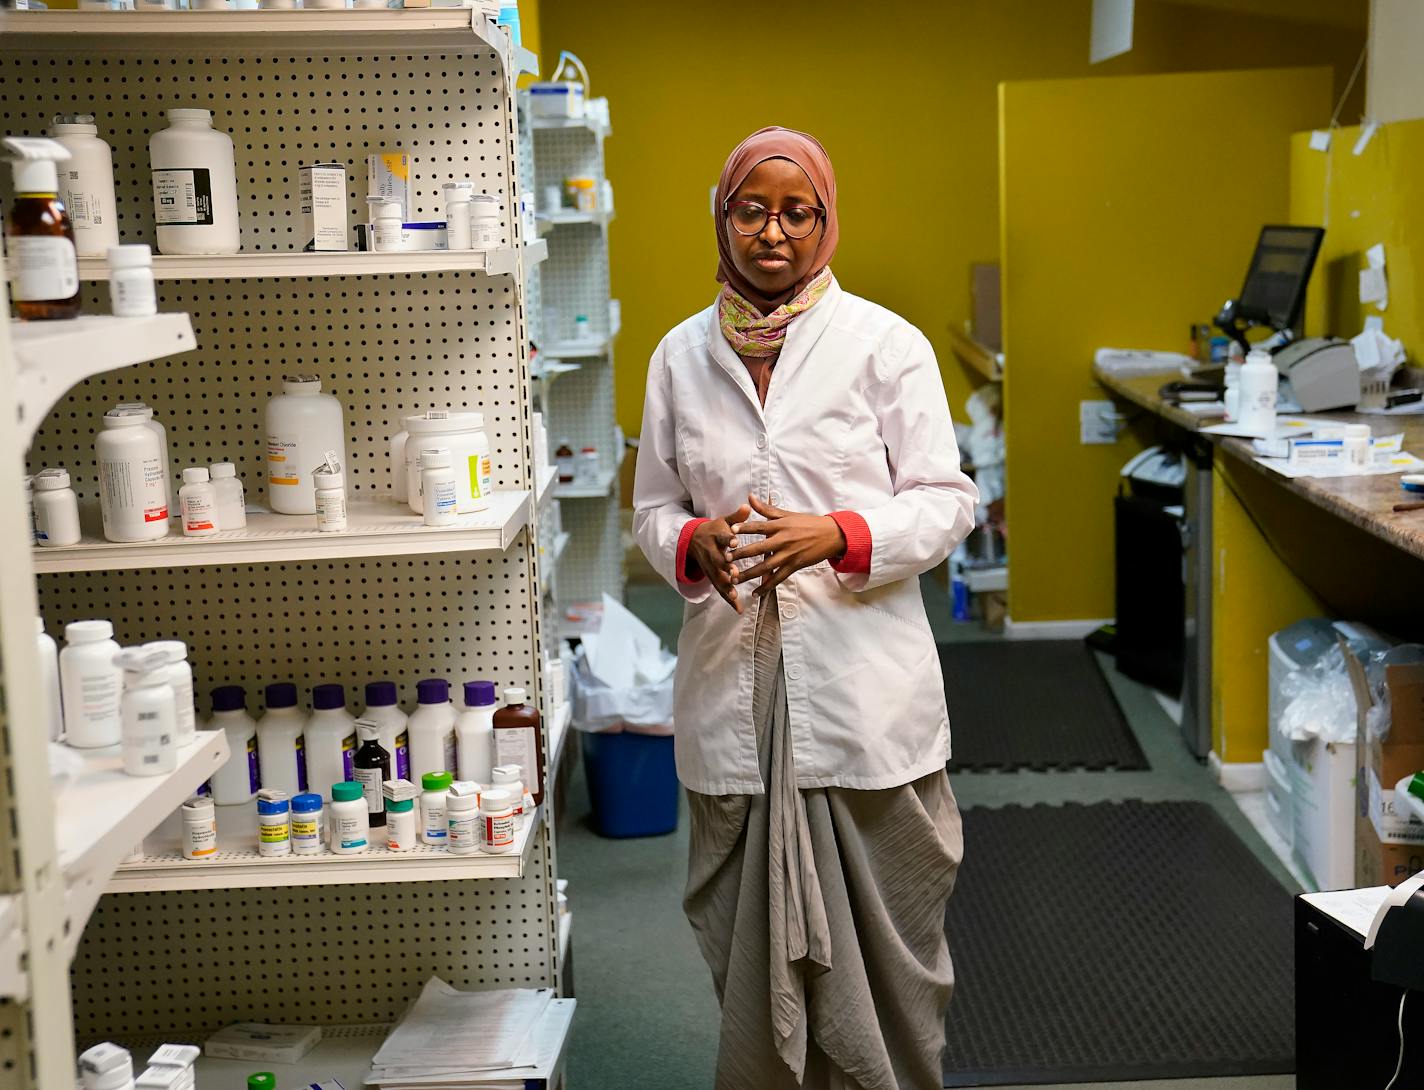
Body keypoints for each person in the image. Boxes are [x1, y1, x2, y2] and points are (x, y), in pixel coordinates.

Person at [633, 126, 978, 1090]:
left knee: (892, 960)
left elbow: (947, 500)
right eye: (753, 208)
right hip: (732, 693)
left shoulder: (884, 345)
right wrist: (689, 545)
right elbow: (653, 508)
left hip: (861, 693)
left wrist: (842, 535)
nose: (773, 231)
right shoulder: (678, 357)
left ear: (826, 222)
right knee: (743, 947)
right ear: (723, 217)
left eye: (797, 211)